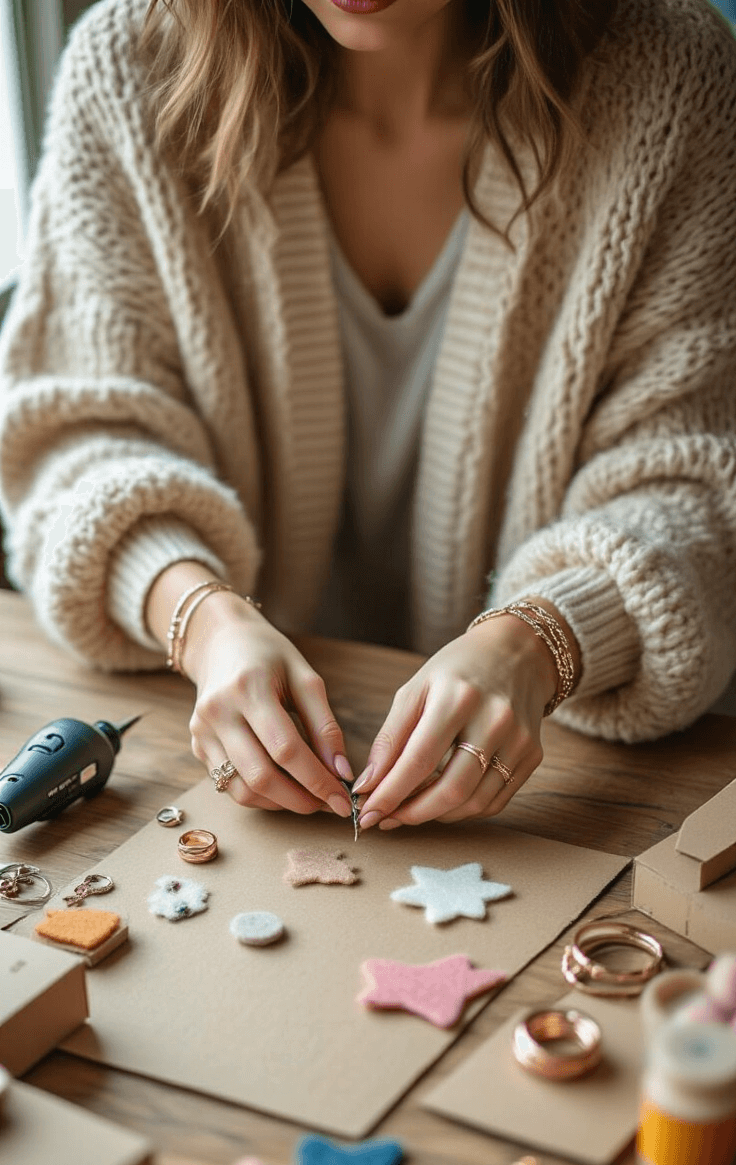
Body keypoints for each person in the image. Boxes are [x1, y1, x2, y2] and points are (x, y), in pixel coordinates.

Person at [0, 0, 735, 833]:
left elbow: (699, 487)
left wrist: (542, 643)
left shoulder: (671, 76)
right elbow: (75, 443)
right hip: (233, 771)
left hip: (565, 769)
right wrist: (202, 621)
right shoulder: (130, 66)